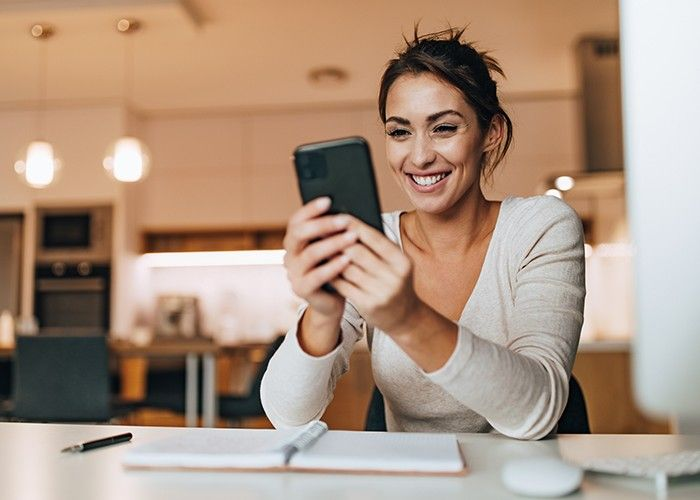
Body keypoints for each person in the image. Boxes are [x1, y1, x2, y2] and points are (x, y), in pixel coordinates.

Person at [261, 27, 585, 440]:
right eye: (400, 132)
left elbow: (536, 412)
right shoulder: (370, 238)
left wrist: (407, 317)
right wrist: (324, 312)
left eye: (444, 128)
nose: (419, 156)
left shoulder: (541, 227)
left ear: (492, 133)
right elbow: (287, 417)